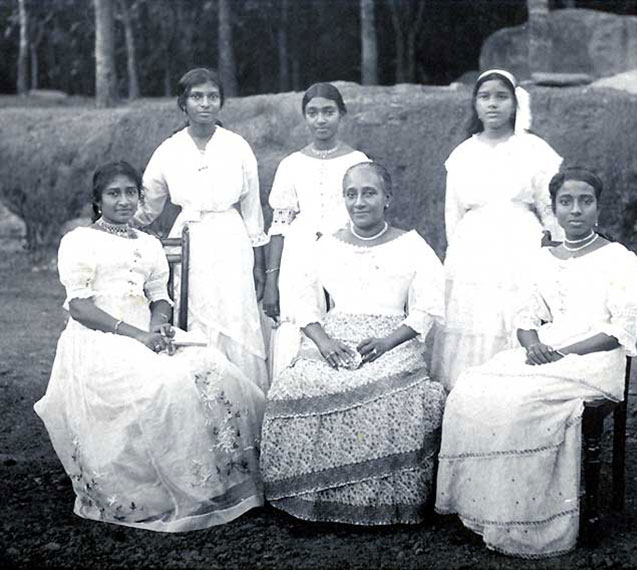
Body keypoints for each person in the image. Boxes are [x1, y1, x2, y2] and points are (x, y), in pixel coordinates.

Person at [34, 161, 267, 532]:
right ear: (97, 201)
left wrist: (159, 326)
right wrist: (137, 336)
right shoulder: (79, 241)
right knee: (163, 386)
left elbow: (160, 296)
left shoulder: (148, 243)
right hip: (97, 340)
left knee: (212, 367)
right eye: (114, 194)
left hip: (145, 332)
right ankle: (152, 486)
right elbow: (79, 307)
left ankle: (218, 479)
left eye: (131, 193)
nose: (124, 201)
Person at [435, 167, 637, 558]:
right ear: (554, 209)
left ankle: (529, 518)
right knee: (471, 387)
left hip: (595, 356)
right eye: (566, 202)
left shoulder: (618, 258)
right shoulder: (542, 258)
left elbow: (619, 332)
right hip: (549, 348)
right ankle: (486, 510)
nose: (576, 210)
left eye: (585, 201)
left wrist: (565, 353)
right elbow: (525, 318)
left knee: (521, 403)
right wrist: (532, 344)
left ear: (597, 207)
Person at [260, 163, 446, 525]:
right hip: (334, 333)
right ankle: (308, 497)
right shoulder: (326, 245)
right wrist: (324, 341)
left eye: (369, 193)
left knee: (392, 390)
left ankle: (381, 504)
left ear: (387, 198)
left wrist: (388, 342)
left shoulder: (412, 244)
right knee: (299, 383)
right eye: (352, 194)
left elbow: (428, 306)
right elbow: (303, 299)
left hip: (391, 337)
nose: (360, 202)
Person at [132, 67, 268, 392]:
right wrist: (112, 230)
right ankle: (199, 400)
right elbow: (148, 206)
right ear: (183, 103)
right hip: (190, 238)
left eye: (212, 96)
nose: (205, 104)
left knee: (235, 312)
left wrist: (260, 263)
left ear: (221, 102)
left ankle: (243, 398)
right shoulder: (169, 150)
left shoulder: (237, 146)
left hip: (231, 238)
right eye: (196, 97)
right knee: (192, 311)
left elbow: (252, 211)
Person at [432, 68, 564, 390]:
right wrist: (457, 255)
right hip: (472, 249)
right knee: (473, 319)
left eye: (501, 97)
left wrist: (558, 249)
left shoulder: (534, 150)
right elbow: (453, 213)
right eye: (485, 97)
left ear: (515, 102)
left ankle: (516, 399)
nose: (493, 104)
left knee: (516, 312)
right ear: (475, 104)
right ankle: (466, 399)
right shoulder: (462, 154)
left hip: (520, 242)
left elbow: (550, 206)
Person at [262, 83, 369, 378]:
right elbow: (280, 225)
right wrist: (271, 283)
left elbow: (367, 217)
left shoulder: (358, 161)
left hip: (345, 252)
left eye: (328, 112)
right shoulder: (291, 164)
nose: (320, 119)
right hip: (299, 255)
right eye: (313, 113)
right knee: (298, 321)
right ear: (305, 117)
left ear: (341, 114)